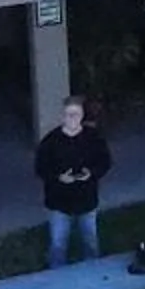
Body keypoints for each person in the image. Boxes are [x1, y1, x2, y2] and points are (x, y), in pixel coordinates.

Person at [32, 96, 113, 268]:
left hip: (87, 201)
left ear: (82, 116)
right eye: (68, 115)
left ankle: (93, 273)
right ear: (62, 116)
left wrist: (91, 173)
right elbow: (40, 168)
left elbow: (105, 162)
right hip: (59, 203)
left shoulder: (94, 138)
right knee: (58, 244)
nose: (72, 119)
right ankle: (57, 274)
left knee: (90, 241)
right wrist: (58, 178)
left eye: (76, 114)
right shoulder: (50, 141)